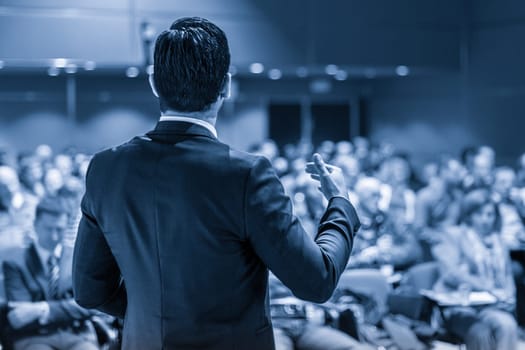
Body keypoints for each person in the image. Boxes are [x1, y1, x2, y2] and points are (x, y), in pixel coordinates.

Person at [72, 17, 360, 350]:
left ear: (153, 83)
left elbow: (90, 291)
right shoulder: (246, 175)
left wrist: (153, 316)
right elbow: (317, 281)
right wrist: (341, 203)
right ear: (225, 86)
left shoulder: (106, 168)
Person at [2, 196, 99, 350]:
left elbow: (91, 305)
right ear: (35, 225)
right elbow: (19, 315)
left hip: (77, 334)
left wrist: (41, 309)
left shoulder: (78, 258)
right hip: (34, 337)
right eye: (49, 229)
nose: (54, 236)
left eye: (59, 229)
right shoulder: (15, 262)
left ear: (67, 227)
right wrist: (69, 308)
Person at [431, 189, 518, 350]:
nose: (485, 220)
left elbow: (507, 276)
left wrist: (509, 296)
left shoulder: (498, 242)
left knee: (508, 325)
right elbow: (450, 273)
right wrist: (488, 287)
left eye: (489, 215)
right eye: (479, 214)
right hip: (458, 306)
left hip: (491, 306)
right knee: (480, 332)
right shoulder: (453, 235)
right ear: (469, 215)